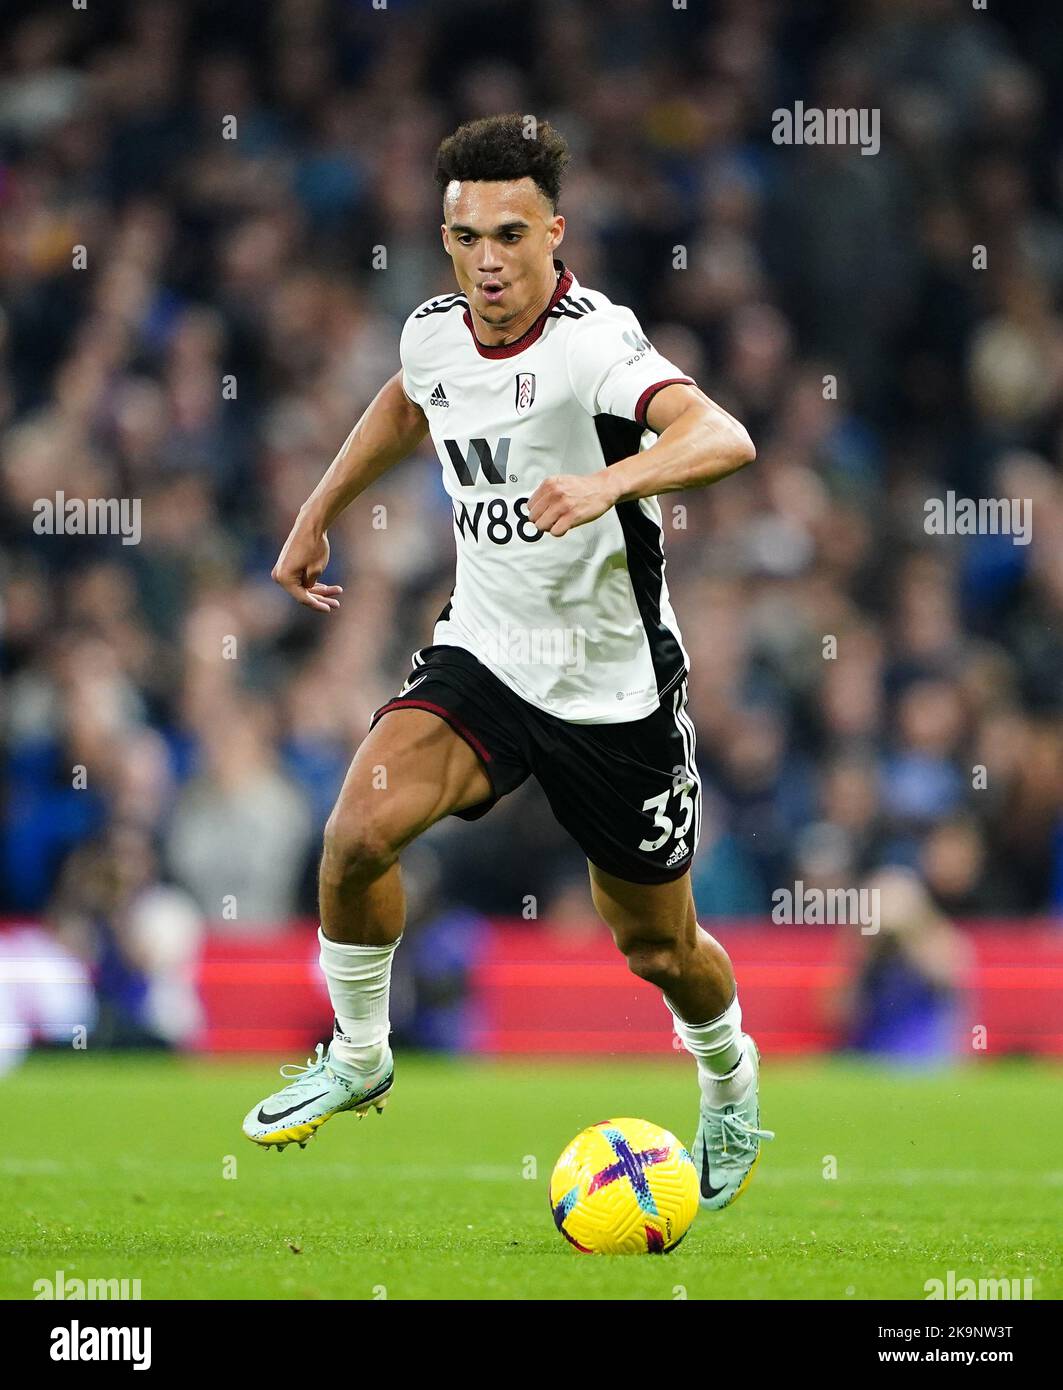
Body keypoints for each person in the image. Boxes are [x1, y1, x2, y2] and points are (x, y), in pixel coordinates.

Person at [241, 114, 770, 1211]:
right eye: (465, 235)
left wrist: (609, 484)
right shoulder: (435, 333)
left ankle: (727, 1077)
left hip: (613, 694)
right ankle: (359, 1049)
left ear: (553, 234)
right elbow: (407, 400)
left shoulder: (594, 342)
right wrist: (318, 509)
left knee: (660, 949)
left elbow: (724, 437)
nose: (486, 259)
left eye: (510, 235)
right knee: (353, 838)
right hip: (484, 655)